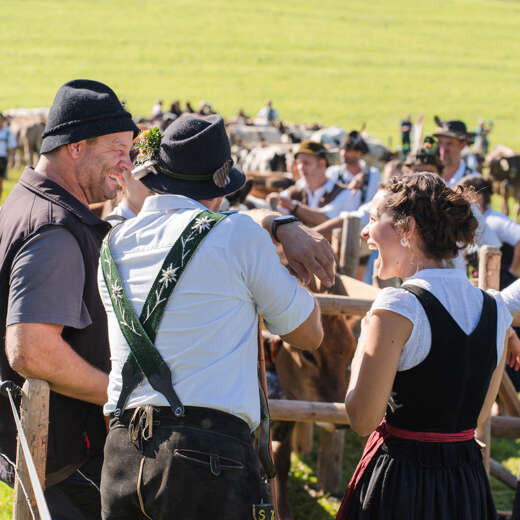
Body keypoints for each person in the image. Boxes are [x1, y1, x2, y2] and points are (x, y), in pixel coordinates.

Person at [98, 114, 326, 519]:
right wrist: (288, 255)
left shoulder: (113, 243)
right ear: (218, 190)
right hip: (207, 453)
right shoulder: (236, 234)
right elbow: (309, 335)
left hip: (121, 451)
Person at [0, 79, 139, 518]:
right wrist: (121, 395)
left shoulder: (24, 202)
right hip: (61, 461)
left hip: (51, 454)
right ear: (75, 147)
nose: (127, 163)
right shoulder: (55, 228)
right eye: (117, 148)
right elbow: (31, 351)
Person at [336, 172, 511, 520]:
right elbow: (476, 417)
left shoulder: (398, 306)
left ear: (408, 229)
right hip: (465, 485)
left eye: (373, 220)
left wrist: (364, 341)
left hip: (402, 482)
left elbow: (361, 418)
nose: (365, 232)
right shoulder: (496, 310)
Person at [272, 140, 357, 227]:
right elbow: (277, 205)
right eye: (299, 163)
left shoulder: (344, 194)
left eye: (306, 163)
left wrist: (294, 206)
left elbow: (327, 219)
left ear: (322, 163)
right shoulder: (296, 190)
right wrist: (274, 200)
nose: (300, 167)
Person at [459, 175, 520, 288]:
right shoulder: (474, 222)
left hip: (504, 285)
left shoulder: (495, 220)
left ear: (478, 196)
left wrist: (513, 272)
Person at [326, 130, 382, 208]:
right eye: (342, 149)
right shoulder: (333, 172)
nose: (343, 153)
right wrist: (349, 187)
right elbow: (325, 199)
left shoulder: (374, 174)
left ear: (359, 153)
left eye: (348, 150)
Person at [434, 119, 477, 187]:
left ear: (462, 145)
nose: (443, 149)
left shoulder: (474, 180)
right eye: (440, 142)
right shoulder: (430, 177)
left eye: (449, 143)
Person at [0, 112, 17, 199]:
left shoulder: (7, 133)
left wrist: (13, 158)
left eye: (1, 119)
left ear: (3, 120)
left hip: (2, 158)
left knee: (0, 181)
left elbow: (13, 146)